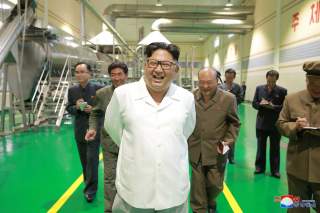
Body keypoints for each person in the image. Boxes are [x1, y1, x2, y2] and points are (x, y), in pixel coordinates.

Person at [105, 42, 196, 212]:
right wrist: (138, 148)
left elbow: (185, 132)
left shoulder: (186, 98)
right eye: (153, 63)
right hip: (133, 191)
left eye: (166, 65)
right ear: (145, 65)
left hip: (173, 190)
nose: (158, 70)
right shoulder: (123, 95)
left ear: (176, 69)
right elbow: (113, 128)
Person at [188, 68, 240, 213]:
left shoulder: (228, 99)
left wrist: (228, 141)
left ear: (217, 81)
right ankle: (199, 209)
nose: (205, 87)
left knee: (215, 185)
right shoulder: (189, 97)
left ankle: (210, 202)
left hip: (217, 149)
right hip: (196, 149)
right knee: (197, 186)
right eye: (201, 83)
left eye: (209, 83)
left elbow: (235, 123)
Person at [85, 61, 128, 212]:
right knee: (110, 179)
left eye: (120, 74)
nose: (116, 78)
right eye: (113, 75)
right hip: (110, 144)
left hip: (132, 144)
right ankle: (109, 210)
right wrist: (92, 128)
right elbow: (95, 113)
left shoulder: (135, 93)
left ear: (126, 75)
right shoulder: (102, 94)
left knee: (131, 178)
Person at [277, 61, 320, 212]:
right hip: (296, 168)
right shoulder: (291, 99)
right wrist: (295, 126)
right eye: (313, 84)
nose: (316, 88)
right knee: (297, 208)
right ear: (306, 80)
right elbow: (281, 124)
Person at [66, 62, 102, 202]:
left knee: (92, 160)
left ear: (89, 73)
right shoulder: (72, 90)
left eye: (82, 71)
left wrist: (92, 109)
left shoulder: (99, 89)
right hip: (80, 130)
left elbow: (104, 107)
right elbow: (69, 108)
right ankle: (88, 182)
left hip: (94, 130)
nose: (79, 74)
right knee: (84, 161)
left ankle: (91, 190)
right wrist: (77, 108)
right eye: (77, 72)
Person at [252, 70, 287, 178]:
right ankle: (259, 167)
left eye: (273, 79)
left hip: (275, 125)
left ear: (277, 79)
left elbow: (284, 107)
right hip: (261, 124)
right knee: (260, 147)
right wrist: (261, 104)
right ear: (266, 78)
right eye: (269, 79)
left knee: (275, 148)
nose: (271, 81)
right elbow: (254, 103)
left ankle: (275, 170)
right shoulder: (259, 89)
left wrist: (273, 107)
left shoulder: (282, 91)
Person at [219, 68, 243, 164]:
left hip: (233, 114)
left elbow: (241, 98)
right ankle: (222, 155)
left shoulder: (238, 87)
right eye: (227, 77)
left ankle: (231, 157)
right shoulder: (220, 87)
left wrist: (230, 96)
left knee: (231, 136)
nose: (229, 79)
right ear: (225, 76)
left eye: (231, 77)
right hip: (222, 114)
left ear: (234, 77)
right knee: (222, 136)